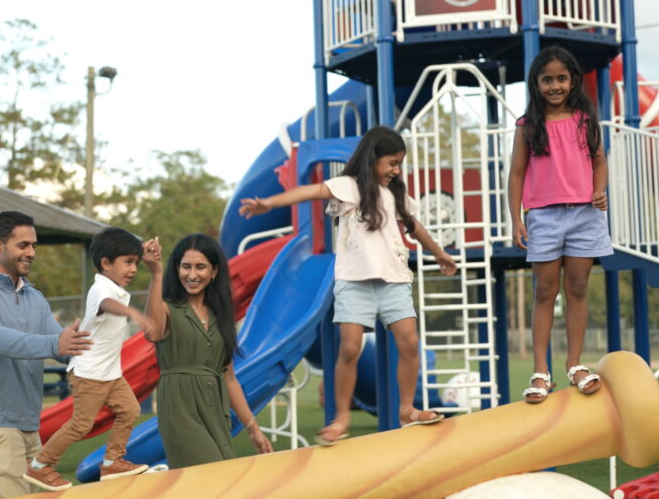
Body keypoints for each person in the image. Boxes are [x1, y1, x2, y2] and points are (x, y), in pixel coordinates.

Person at [239, 125, 458, 444]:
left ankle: (407, 409)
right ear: (372, 159)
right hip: (354, 282)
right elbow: (309, 192)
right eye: (391, 163)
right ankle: (341, 417)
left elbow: (415, 227)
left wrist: (439, 254)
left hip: (393, 279)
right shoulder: (349, 186)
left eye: (399, 164)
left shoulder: (395, 194)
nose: (396, 171)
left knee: (409, 344)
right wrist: (269, 204)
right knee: (351, 348)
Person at [0, 211, 93, 499]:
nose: (31, 252)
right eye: (23, 245)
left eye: (34, 246)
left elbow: (62, 347)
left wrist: (93, 347)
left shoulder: (34, 298)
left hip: (28, 423)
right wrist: (56, 344)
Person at [509, 45, 611, 404]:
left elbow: (600, 162)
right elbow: (517, 174)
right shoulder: (526, 127)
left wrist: (599, 191)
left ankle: (575, 365)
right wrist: (516, 218)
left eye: (561, 78)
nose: (555, 85)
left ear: (573, 81)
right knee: (544, 291)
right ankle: (541, 372)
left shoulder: (585, 120)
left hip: (585, 215)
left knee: (578, 288)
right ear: (535, 84)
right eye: (547, 79)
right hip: (543, 217)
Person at [23, 228, 157, 491]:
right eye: (128, 262)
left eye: (136, 264)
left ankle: (112, 461)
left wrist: (148, 253)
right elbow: (107, 304)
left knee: (130, 410)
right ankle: (39, 466)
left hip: (110, 373)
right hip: (89, 372)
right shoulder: (101, 288)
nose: (133, 269)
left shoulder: (116, 288)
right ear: (106, 263)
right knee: (81, 424)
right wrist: (134, 313)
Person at [143, 234, 273, 468]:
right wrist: (155, 273)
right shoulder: (167, 309)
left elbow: (229, 378)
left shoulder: (220, 315)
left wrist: (253, 429)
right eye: (186, 267)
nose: (192, 275)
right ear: (176, 269)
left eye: (200, 267)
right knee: (211, 476)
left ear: (214, 272)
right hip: (180, 410)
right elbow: (152, 333)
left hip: (215, 410)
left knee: (217, 481)